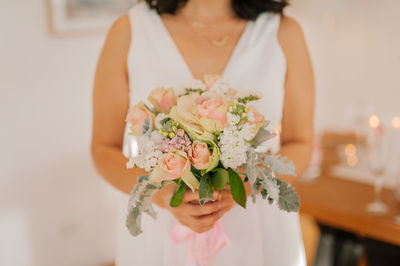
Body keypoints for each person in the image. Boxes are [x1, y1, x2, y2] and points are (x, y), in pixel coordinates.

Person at [91, 0, 314, 265]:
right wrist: (158, 192)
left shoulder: (284, 33)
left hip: (258, 224)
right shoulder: (129, 31)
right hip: (161, 229)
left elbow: (300, 143)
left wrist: (250, 180)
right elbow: (103, 148)